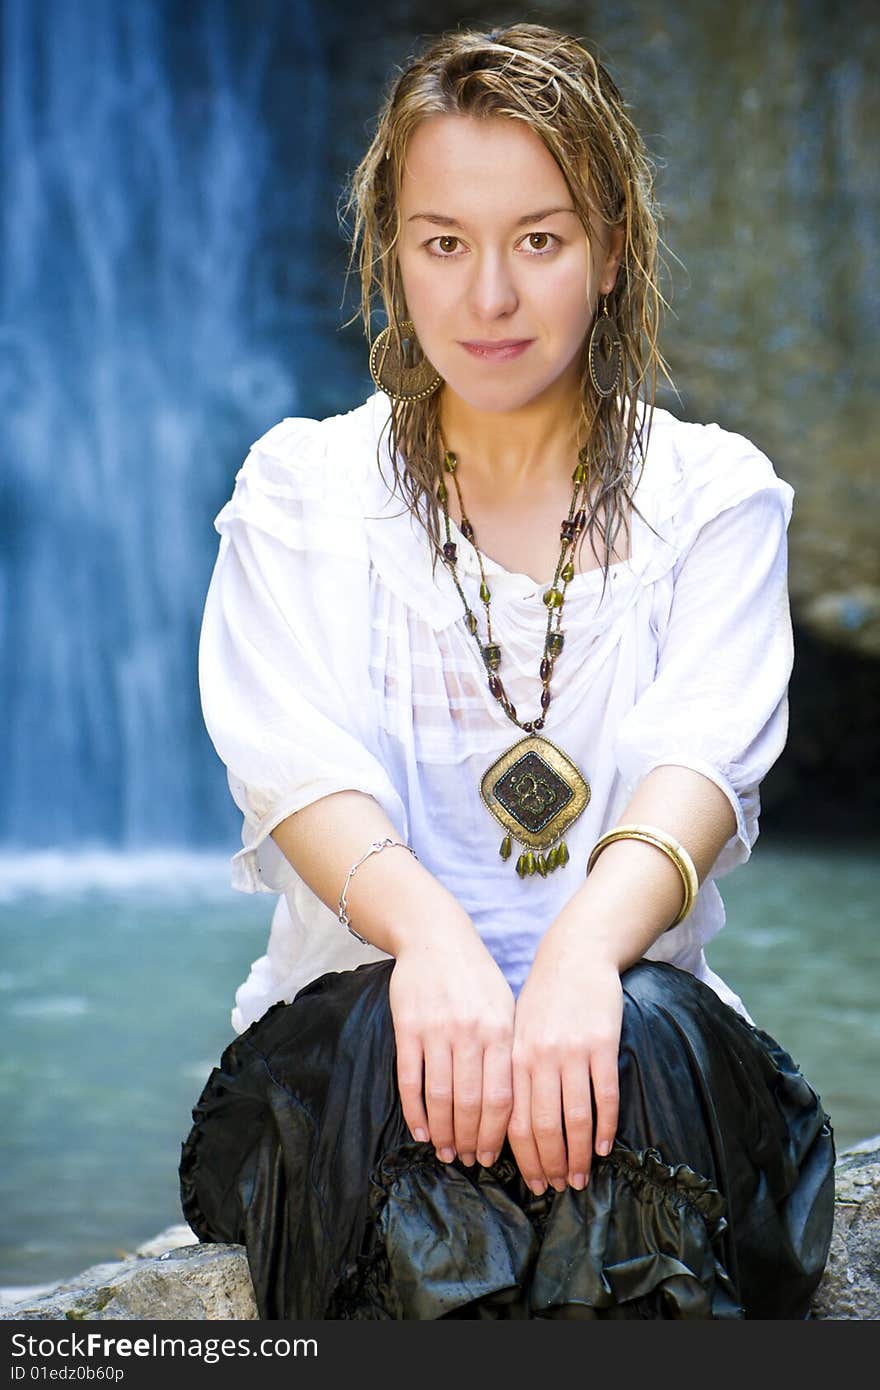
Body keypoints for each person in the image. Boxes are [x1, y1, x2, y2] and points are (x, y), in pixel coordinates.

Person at [179, 23, 835, 1320]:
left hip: (638, 1062)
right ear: (391, 250)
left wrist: (581, 960)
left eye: (539, 239)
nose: (488, 298)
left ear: (612, 251)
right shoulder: (300, 492)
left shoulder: (714, 501)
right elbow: (294, 766)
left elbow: (696, 766)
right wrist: (432, 941)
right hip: (353, 1057)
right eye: (444, 242)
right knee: (389, 1040)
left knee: (629, 1043)